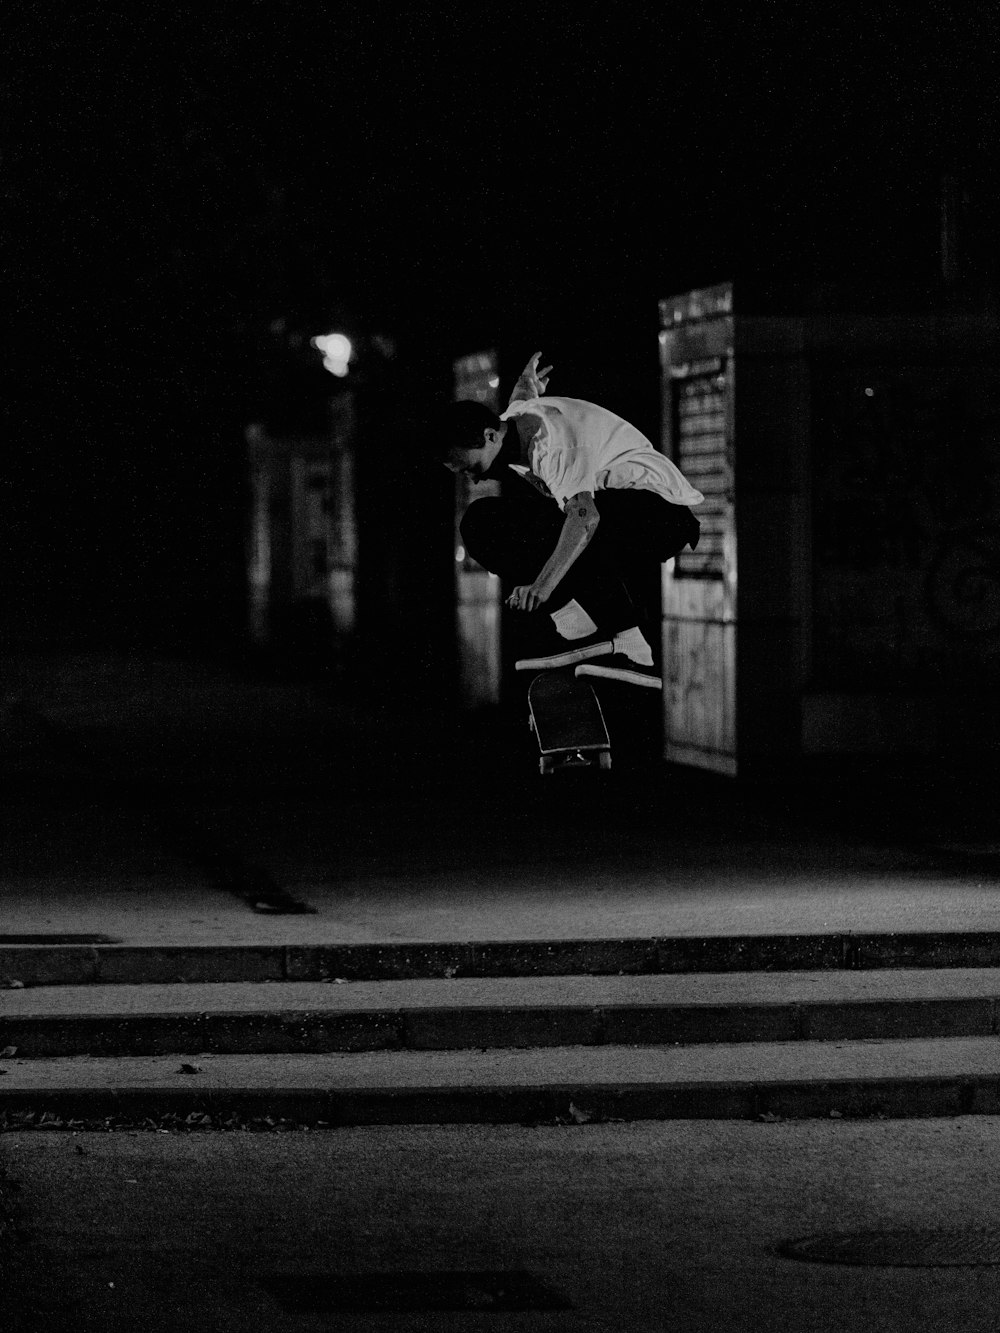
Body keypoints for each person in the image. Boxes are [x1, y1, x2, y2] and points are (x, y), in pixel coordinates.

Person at [439, 352, 703, 687]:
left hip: (660, 516)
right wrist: (525, 388)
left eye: (472, 467)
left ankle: (620, 638)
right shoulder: (510, 424)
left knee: (566, 527)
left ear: (491, 436)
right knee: (479, 523)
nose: (475, 479)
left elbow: (585, 518)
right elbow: (520, 403)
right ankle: (598, 633)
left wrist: (542, 588)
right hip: (622, 511)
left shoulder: (553, 446)